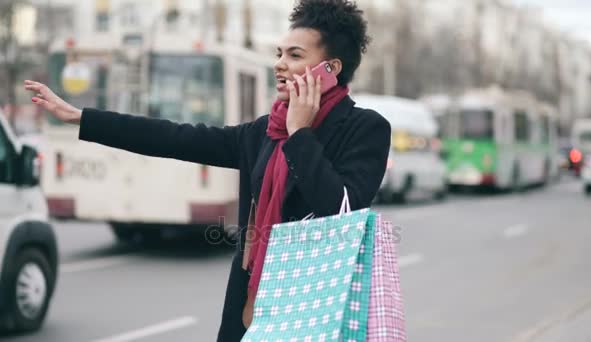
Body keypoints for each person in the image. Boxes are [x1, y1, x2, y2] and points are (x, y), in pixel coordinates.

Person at [25, 0, 391, 340]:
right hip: (251, 301)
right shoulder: (262, 132)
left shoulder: (364, 129)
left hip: (318, 302)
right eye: (279, 53)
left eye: (294, 55)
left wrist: (300, 134)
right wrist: (83, 118)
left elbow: (340, 210)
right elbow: (174, 137)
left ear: (331, 69)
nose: (279, 63)